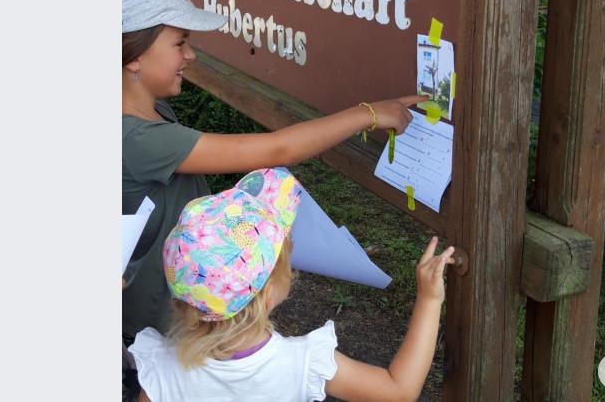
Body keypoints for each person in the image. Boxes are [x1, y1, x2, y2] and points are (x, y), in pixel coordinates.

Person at [121, 0, 423, 340]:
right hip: (169, 323)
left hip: (171, 309)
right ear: (132, 54)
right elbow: (280, 148)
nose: (191, 54)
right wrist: (370, 113)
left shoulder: (146, 112)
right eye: (180, 42)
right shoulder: (137, 138)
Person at [128, 168, 455, 401]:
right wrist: (429, 299)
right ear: (268, 294)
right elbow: (398, 390)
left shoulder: (164, 371)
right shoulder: (302, 365)